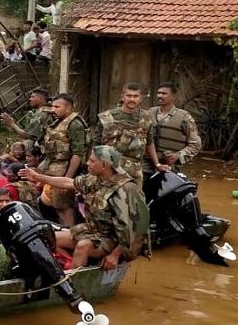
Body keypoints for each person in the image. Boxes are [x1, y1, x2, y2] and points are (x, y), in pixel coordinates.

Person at [21, 146, 149, 270]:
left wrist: (115, 255)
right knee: (47, 239)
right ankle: (67, 267)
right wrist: (39, 177)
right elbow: (69, 182)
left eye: (92, 161)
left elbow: (137, 229)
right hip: (91, 231)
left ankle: (75, 286)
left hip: (114, 239)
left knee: (83, 246)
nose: (87, 163)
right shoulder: (94, 179)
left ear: (105, 165)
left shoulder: (126, 190)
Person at [93, 82, 165, 189]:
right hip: (108, 170)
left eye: (135, 96)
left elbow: (149, 143)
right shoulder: (107, 117)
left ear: (140, 98)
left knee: (134, 202)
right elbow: (96, 143)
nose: (132, 99)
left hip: (134, 171)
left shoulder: (146, 119)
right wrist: (92, 165)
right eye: (129, 96)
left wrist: (157, 164)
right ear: (122, 97)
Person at [36, 93, 87, 227]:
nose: (53, 109)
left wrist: (67, 179)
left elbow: (78, 153)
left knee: (64, 208)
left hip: (65, 173)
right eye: (52, 106)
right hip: (53, 170)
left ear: (68, 108)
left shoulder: (75, 124)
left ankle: (69, 235)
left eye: (57, 107)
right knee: (56, 206)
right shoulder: (57, 122)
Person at [147, 82, 202, 175]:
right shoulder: (149, 113)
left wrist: (178, 156)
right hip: (147, 163)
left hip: (170, 166)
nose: (160, 96)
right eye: (159, 93)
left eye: (164, 93)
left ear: (174, 96)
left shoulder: (184, 117)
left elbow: (196, 144)